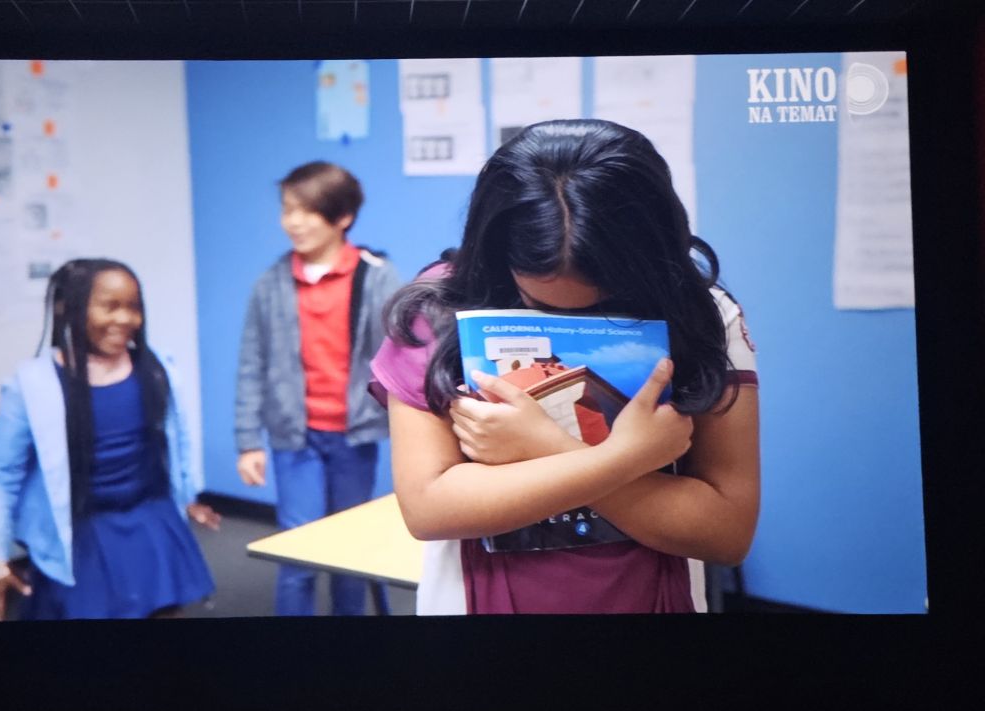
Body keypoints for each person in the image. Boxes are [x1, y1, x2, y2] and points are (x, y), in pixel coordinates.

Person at [371, 119, 760, 614]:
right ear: (497, 253)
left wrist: (542, 444)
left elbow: (726, 532)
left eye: (605, 304)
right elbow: (430, 508)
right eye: (540, 304)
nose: (570, 321)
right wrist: (625, 458)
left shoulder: (705, 313)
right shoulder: (439, 306)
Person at [0, 258, 222, 621]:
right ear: (66, 308)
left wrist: (186, 496)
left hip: (151, 523)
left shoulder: (157, 368)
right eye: (110, 306)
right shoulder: (33, 385)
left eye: (133, 307)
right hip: (83, 536)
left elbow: (174, 444)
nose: (125, 319)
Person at [235, 161, 402, 616]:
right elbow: (251, 363)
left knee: (349, 554)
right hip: (295, 438)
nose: (293, 221)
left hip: (354, 437)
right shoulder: (271, 284)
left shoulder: (377, 276)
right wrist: (248, 441)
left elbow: (401, 356)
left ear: (342, 216)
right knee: (298, 553)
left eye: (307, 211)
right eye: (287, 209)